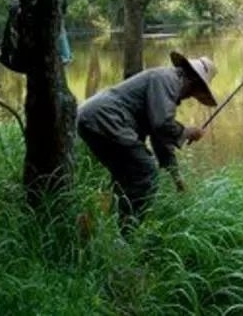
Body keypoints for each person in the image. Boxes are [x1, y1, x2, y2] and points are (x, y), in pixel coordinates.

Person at [77, 51, 217, 235]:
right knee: (146, 172)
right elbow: (162, 124)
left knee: (123, 178)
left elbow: (159, 137)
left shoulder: (167, 83)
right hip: (107, 118)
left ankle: (91, 225)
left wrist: (177, 178)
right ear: (194, 83)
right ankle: (128, 235)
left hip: (93, 118)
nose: (191, 97)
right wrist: (187, 132)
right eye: (196, 93)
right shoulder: (167, 80)